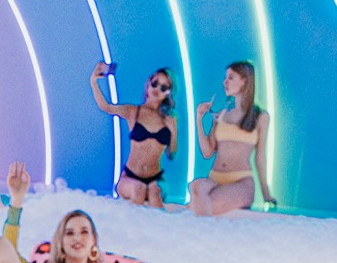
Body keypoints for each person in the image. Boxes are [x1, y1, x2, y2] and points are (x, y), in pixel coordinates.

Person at [188, 61, 277, 216]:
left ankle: (200, 226)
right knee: (195, 186)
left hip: (241, 181)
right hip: (215, 178)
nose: (225, 82)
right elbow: (207, 152)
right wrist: (199, 119)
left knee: (203, 205)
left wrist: (266, 195)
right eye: (225, 78)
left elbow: (260, 157)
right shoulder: (221, 114)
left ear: (244, 81)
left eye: (230, 77)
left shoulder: (260, 116)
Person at [90, 63, 179, 207]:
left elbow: (172, 154)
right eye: (155, 83)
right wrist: (93, 81)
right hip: (130, 177)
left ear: (168, 93)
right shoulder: (133, 112)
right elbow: (106, 107)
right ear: (148, 83)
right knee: (139, 190)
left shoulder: (169, 119)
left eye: (163, 88)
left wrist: (173, 130)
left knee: (154, 192)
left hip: (156, 178)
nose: (157, 89)